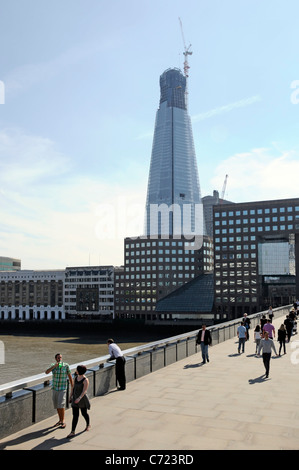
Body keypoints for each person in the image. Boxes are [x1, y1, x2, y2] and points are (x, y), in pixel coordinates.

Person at [45, 353, 73, 428]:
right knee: (57, 405)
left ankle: (63, 420)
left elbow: (70, 376)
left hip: (62, 388)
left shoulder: (66, 365)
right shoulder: (53, 366)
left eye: (60, 358)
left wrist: (72, 386)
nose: (59, 359)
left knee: (61, 404)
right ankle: (60, 420)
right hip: (55, 388)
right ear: (55, 359)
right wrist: (54, 366)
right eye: (58, 358)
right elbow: (46, 372)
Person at [67, 365, 91, 438]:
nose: (75, 371)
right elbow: (73, 388)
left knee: (84, 413)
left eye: (77, 369)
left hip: (82, 399)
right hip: (75, 399)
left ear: (79, 371)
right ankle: (72, 431)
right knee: (75, 415)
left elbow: (84, 391)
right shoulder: (76, 378)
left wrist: (79, 398)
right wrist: (70, 396)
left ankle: (88, 424)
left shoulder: (85, 380)